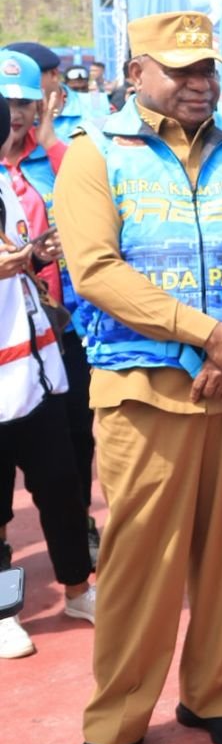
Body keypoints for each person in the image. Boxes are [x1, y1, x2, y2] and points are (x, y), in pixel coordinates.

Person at [56, 11, 222, 744]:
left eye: (208, 69)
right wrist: (207, 335)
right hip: (144, 391)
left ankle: (210, 692)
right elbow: (96, 269)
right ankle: (117, 718)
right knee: (141, 561)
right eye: (181, 69)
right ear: (136, 74)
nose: (200, 84)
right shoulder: (96, 154)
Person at [0, 75, 97, 664]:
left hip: (36, 374)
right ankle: (3, 612)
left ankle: (79, 590)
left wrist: (35, 255)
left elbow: (16, 259)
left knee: (62, 489)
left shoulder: (8, 184)